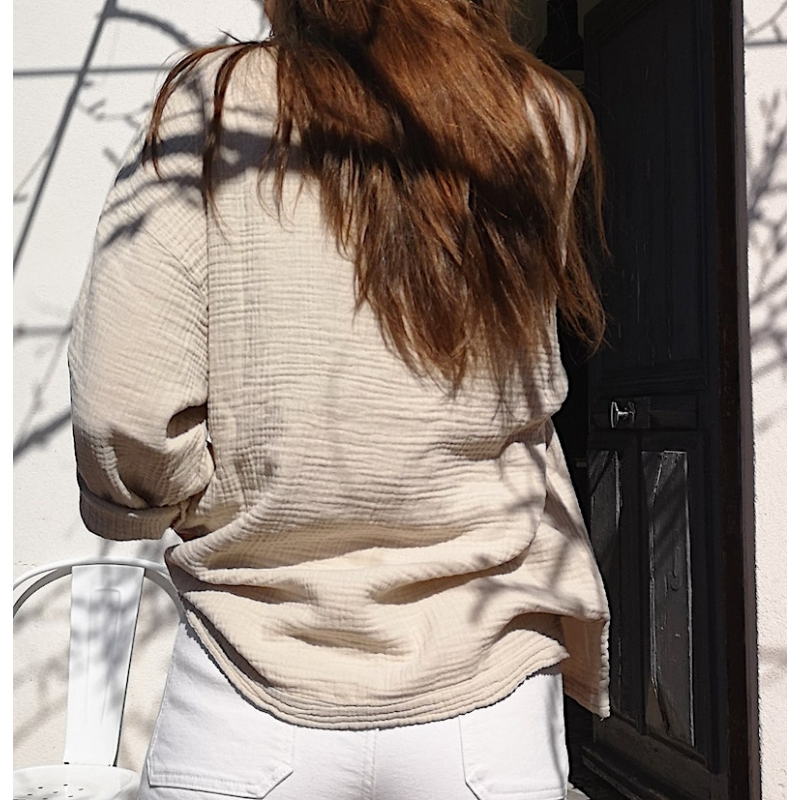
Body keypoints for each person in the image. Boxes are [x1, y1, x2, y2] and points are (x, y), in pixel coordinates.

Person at [68, 0, 611, 797]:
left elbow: (122, 406)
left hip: (249, 678)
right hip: (488, 683)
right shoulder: (536, 113)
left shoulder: (216, 107)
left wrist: (185, 500)